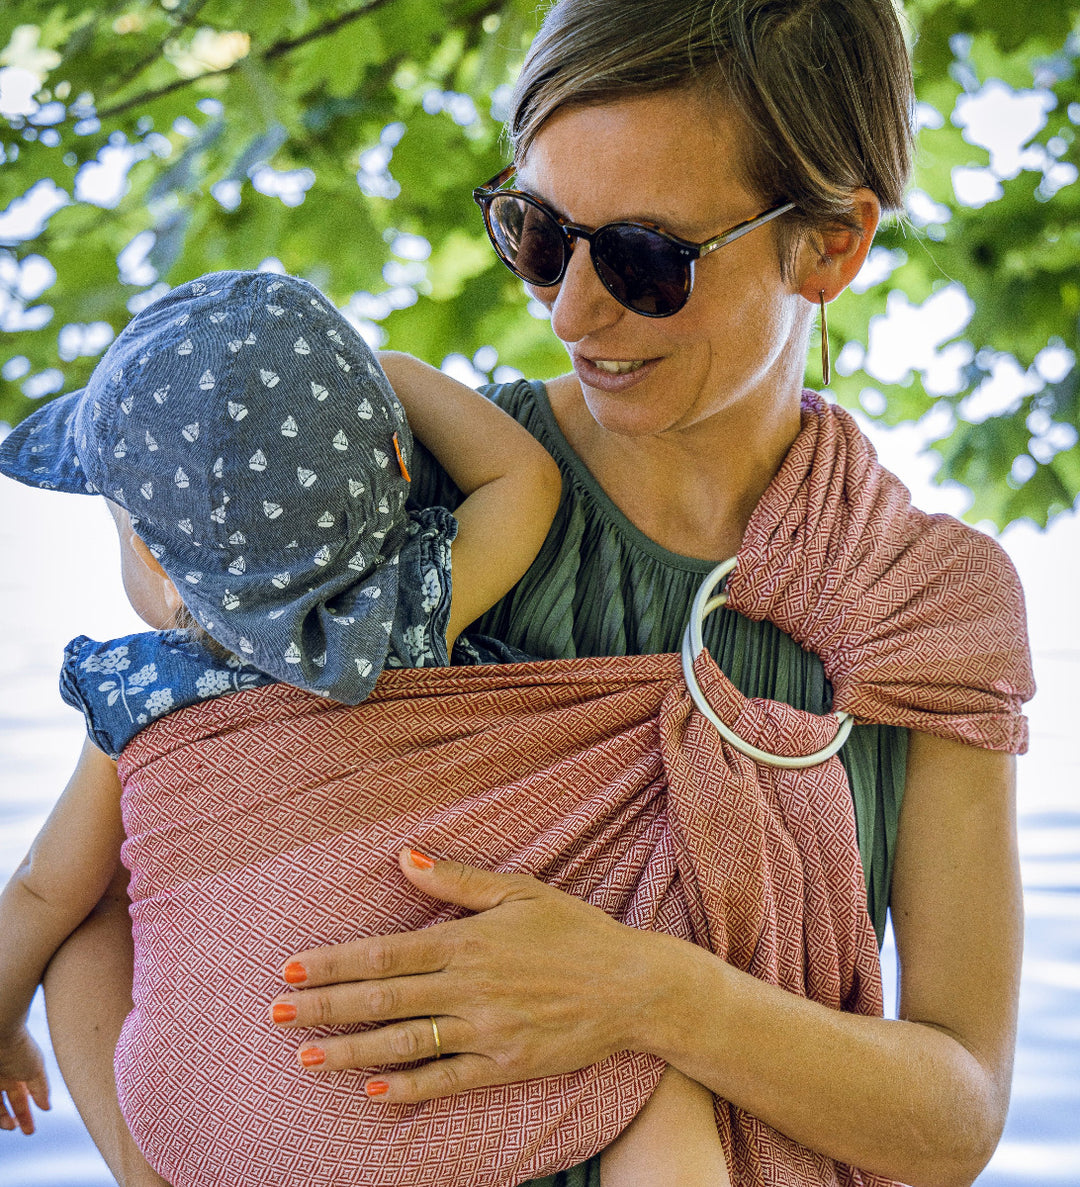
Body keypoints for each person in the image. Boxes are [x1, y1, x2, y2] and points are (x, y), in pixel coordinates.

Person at [36, 1, 1035, 1185]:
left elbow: (957, 1112)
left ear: (831, 245)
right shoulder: (402, 496)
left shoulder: (923, 608)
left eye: (647, 259)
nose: (571, 312)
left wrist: (652, 997)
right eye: (540, 233)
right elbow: (100, 889)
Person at [0, 269, 738, 1186]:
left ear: (150, 554)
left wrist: (2, 1029)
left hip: (213, 1126)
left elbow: (40, 891)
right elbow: (524, 478)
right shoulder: (409, 611)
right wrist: (387, 372)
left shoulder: (138, 697)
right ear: (395, 464)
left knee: (85, 928)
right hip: (444, 1093)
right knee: (656, 1076)